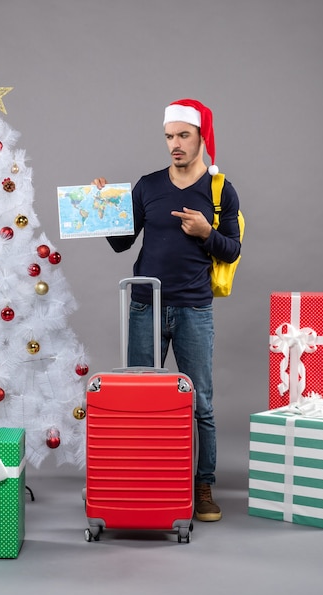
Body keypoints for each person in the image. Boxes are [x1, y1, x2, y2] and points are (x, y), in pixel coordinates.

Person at [92, 98, 241, 522]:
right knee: (140, 399)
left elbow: (232, 251)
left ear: (200, 138)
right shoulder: (148, 185)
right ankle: (142, 482)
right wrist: (103, 208)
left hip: (194, 308)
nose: (175, 144)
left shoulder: (218, 189)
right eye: (169, 137)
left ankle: (203, 485)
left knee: (202, 404)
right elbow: (123, 242)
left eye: (183, 136)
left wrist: (206, 232)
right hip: (146, 305)